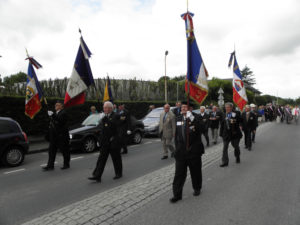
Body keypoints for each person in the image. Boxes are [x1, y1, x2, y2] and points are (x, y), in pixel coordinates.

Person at [170, 101, 204, 203]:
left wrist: (192, 119)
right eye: (182, 107)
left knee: (196, 172)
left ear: (190, 109)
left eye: (185, 107)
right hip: (181, 152)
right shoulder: (178, 119)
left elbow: (202, 129)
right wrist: (177, 149)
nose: (183, 108)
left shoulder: (196, 117)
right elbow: (177, 136)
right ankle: (177, 194)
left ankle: (197, 188)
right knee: (179, 174)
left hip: (193, 151)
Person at [88, 101, 122, 183]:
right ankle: (97, 175)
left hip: (113, 141)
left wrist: (105, 119)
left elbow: (114, 127)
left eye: (106, 108)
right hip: (105, 142)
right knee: (101, 159)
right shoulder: (104, 117)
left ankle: (118, 173)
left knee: (116, 158)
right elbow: (103, 129)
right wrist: (99, 140)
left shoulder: (116, 116)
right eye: (104, 108)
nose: (104, 109)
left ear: (110, 108)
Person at [43, 101, 70, 171]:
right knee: (51, 151)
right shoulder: (56, 113)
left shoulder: (64, 113)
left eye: (57, 105)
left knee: (64, 150)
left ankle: (66, 164)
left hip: (61, 136)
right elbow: (53, 123)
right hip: (54, 136)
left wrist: (53, 115)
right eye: (55, 105)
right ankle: (50, 165)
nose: (56, 106)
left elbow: (60, 121)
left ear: (61, 106)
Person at [219, 102, 242, 167]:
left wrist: (235, 118)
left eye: (228, 107)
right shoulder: (223, 114)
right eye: (226, 107)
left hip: (235, 133)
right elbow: (222, 125)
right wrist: (221, 134)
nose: (227, 108)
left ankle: (237, 156)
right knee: (225, 148)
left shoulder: (236, 113)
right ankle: (225, 162)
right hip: (226, 134)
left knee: (236, 146)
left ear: (231, 108)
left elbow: (240, 121)